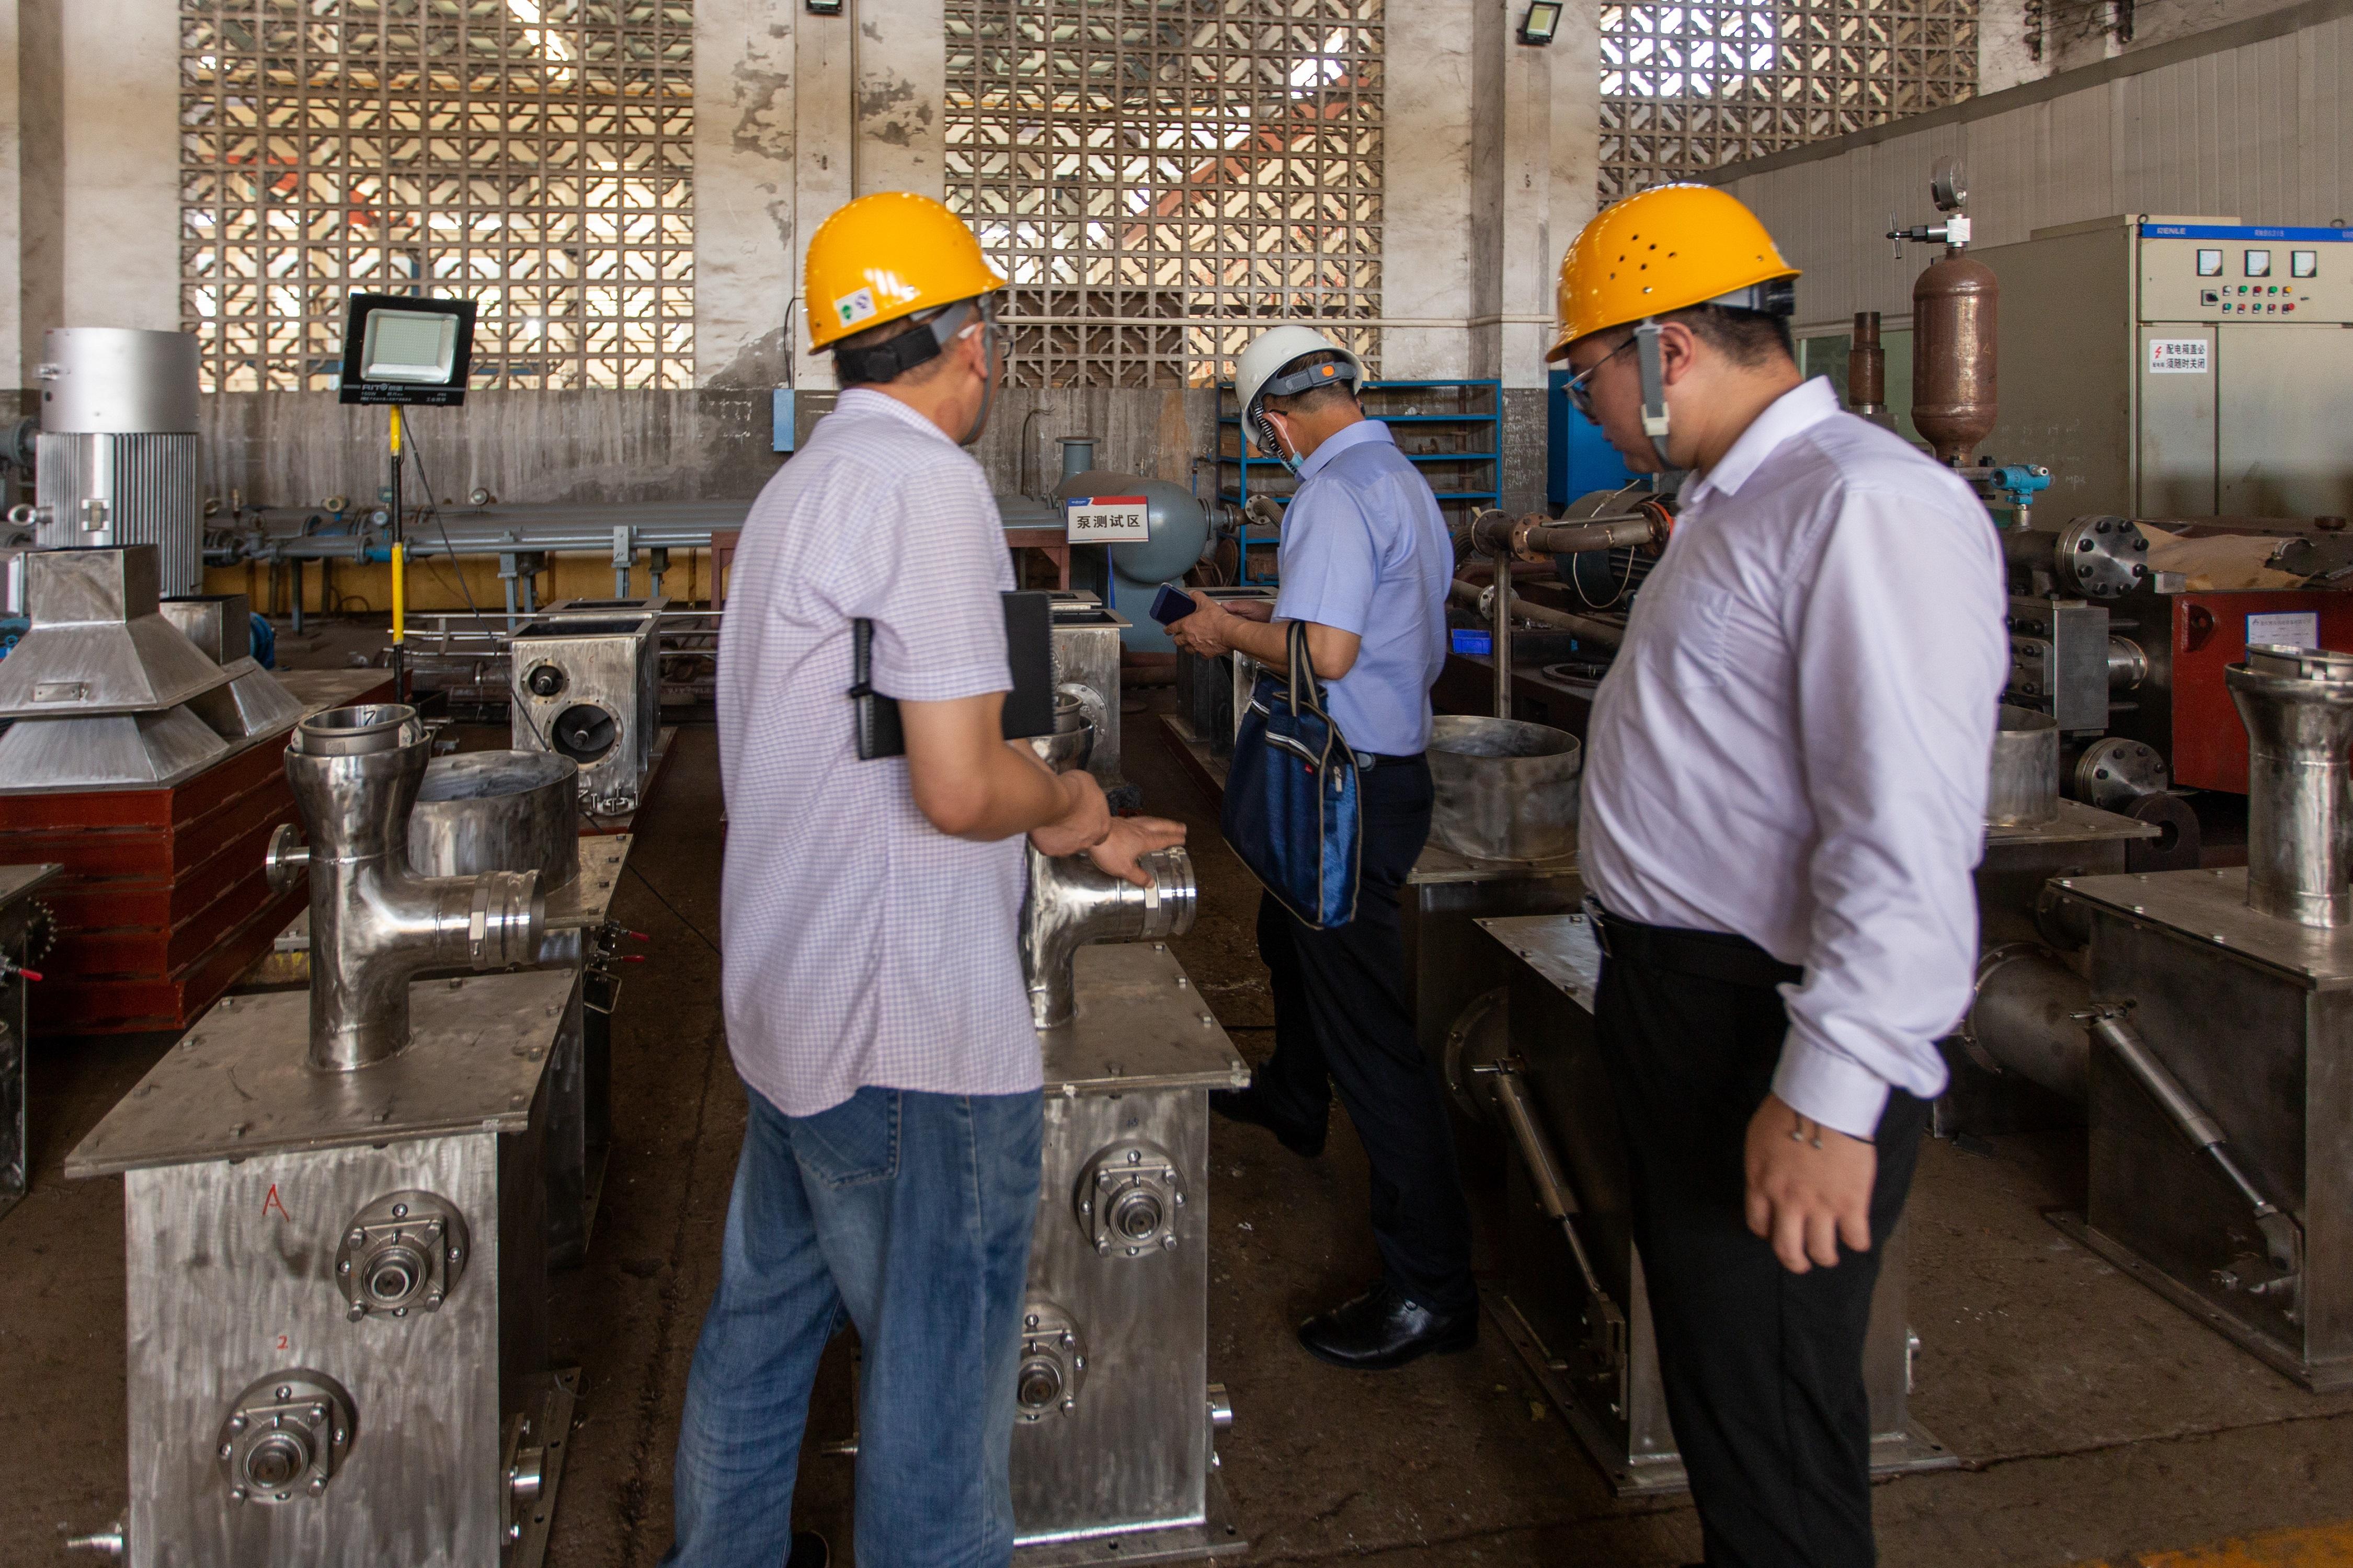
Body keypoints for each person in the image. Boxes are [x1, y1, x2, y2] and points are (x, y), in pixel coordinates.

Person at [666, 191, 1185, 1568]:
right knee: (937, 1418)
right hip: (911, 1051)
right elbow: (961, 786)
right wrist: (1072, 793)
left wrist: (1072, 835)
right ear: (969, 340)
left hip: (794, 1009)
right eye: (991, 332)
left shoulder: (801, 492)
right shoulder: (930, 487)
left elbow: (890, 735)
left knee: (760, 1342)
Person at [1555, 184, 2006, 1565]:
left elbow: (1906, 826)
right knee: (1730, 1394)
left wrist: (1825, 1097)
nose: (1591, 405)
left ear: (1667, 349)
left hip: (1761, 1024)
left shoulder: (1865, 505)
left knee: (1770, 1414)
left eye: (1590, 374)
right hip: (1687, 1007)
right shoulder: (1739, 500)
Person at [1166, 326, 1472, 1371]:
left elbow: (1326, 653)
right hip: (1392, 774)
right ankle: (1296, 1099)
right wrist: (1253, 611)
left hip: (1348, 784)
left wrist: (1220, 635)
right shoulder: (1397, 476)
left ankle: (1432, 1285)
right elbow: (1366, 625)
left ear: (1276, 420)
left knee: (1370, 1034)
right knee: (1283, 926)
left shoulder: (1329, 495)